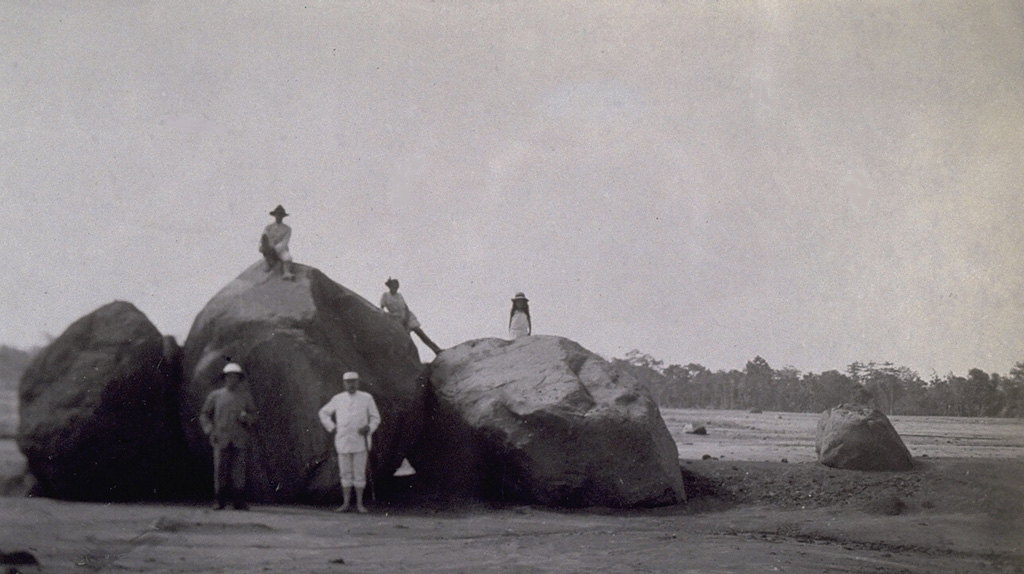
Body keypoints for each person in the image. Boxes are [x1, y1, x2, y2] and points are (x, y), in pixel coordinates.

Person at [318, 371, 381, 514]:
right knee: (345, 473)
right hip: (343, 440)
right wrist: (332, 427)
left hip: (360, 441)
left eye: (354, 382)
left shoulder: (366, 398)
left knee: (359, 474)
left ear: (358, 383)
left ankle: (359, 504)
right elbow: (323, 413)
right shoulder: (338, 399)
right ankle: (345, 503)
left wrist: (369, 428)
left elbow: (375, 417)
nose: (351, 385)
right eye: (348, 382)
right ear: (344, 384)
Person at [199, 363, 258, 510]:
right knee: (220, 470)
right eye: (229, 377)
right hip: (220, 437)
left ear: (239, 379)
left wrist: (247, 418)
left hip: (239, 437)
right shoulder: (216, 396)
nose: (232, 380)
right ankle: (219, 500)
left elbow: (254, 415)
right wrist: (210, 430)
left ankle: (239, 501)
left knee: (239, 471)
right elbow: (204, 415)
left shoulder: (245, 396)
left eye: (235, 377)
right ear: (224, 378)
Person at [380, 277, 443, 355]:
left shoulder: (399, 295)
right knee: (408, 339)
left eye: (397, 287)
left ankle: (436, 350)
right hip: (396, 319)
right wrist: (388, 317)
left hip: (407, 316)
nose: (395, 289)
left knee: (420, 332)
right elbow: (382, 308)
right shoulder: (385, 295)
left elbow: (405, 307)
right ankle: (415, 359)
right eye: (394, 286)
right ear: (390, 287)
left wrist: (406, 317)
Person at [260, 205, 295, 280]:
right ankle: (268, 263)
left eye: (280, 215)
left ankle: (286, 272)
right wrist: (263, 246)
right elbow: (264, 237)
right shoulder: (269, 227)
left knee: (287, 257)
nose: (278, 217)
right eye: (277, 215)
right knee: (265, 250)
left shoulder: (287, 229)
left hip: (280, 249)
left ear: (283, 216)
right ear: (274, 215)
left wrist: (275, 249)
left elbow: (285, 242)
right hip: (269, 248)